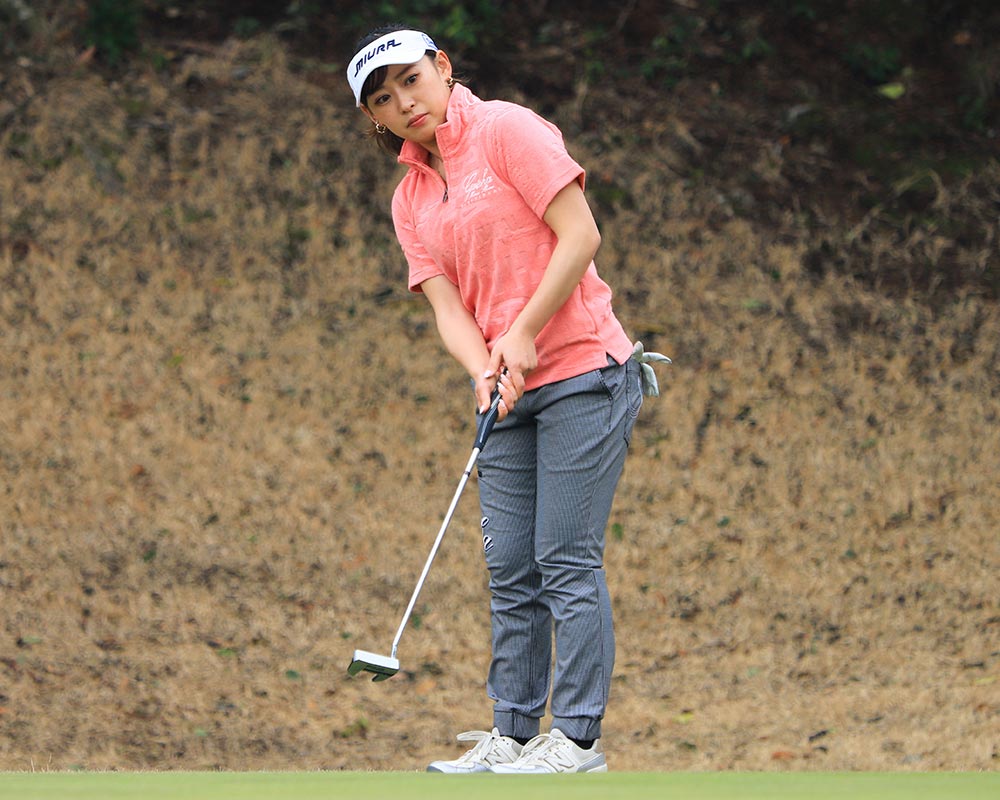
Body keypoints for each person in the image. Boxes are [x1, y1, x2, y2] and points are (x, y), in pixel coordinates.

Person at [346, 24, 668, 774]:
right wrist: (481, 369)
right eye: (384, 99)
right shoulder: (410, 197)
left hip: (585, 372)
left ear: (443, 68)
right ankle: (514, 732)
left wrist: (521, 333)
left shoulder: (507, 130)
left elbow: (580, 235)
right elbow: (446, 307)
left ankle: (577, 739)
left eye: (412, 80)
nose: (404, 103)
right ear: (373, 117)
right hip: (509, 393)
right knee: (512, 568)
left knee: (564, 559)